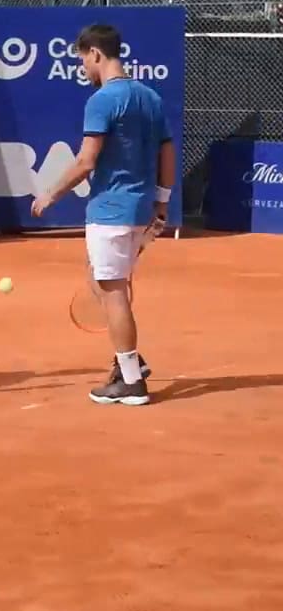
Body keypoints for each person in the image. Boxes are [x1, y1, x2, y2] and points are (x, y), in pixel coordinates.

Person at [31, 23, 176, 407]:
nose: (82, 67)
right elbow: (166, 153)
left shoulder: (101, 100)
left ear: (95, 53)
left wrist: (51, 193)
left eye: (82, 59)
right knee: (102, 281)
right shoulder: (150, 97)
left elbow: (85, 161)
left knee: (112, 293)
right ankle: (130, 361)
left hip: (111, 209)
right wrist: (161, 203)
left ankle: (130, 380)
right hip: (139, 210)